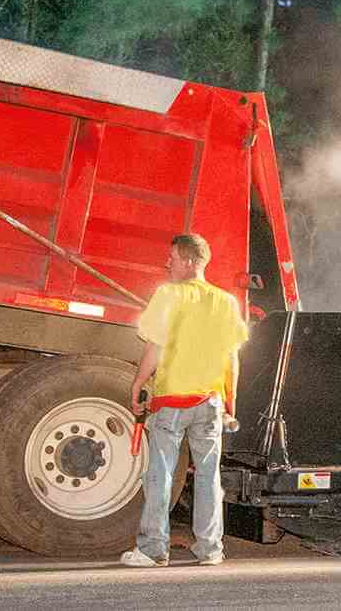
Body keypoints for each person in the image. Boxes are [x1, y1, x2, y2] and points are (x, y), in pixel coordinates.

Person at [120, 233, 249, 568]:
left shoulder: (168, 295)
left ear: (190, 261)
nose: (168, 263)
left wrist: (137, 382)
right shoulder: (226, 302)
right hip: (210, 402)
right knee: (209, 475)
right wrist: (230, 401)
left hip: (173, 401)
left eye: (172, 258)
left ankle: (153, 549)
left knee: (160, 474)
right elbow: (232, 358)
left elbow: (156, 348)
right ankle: (210, 549)